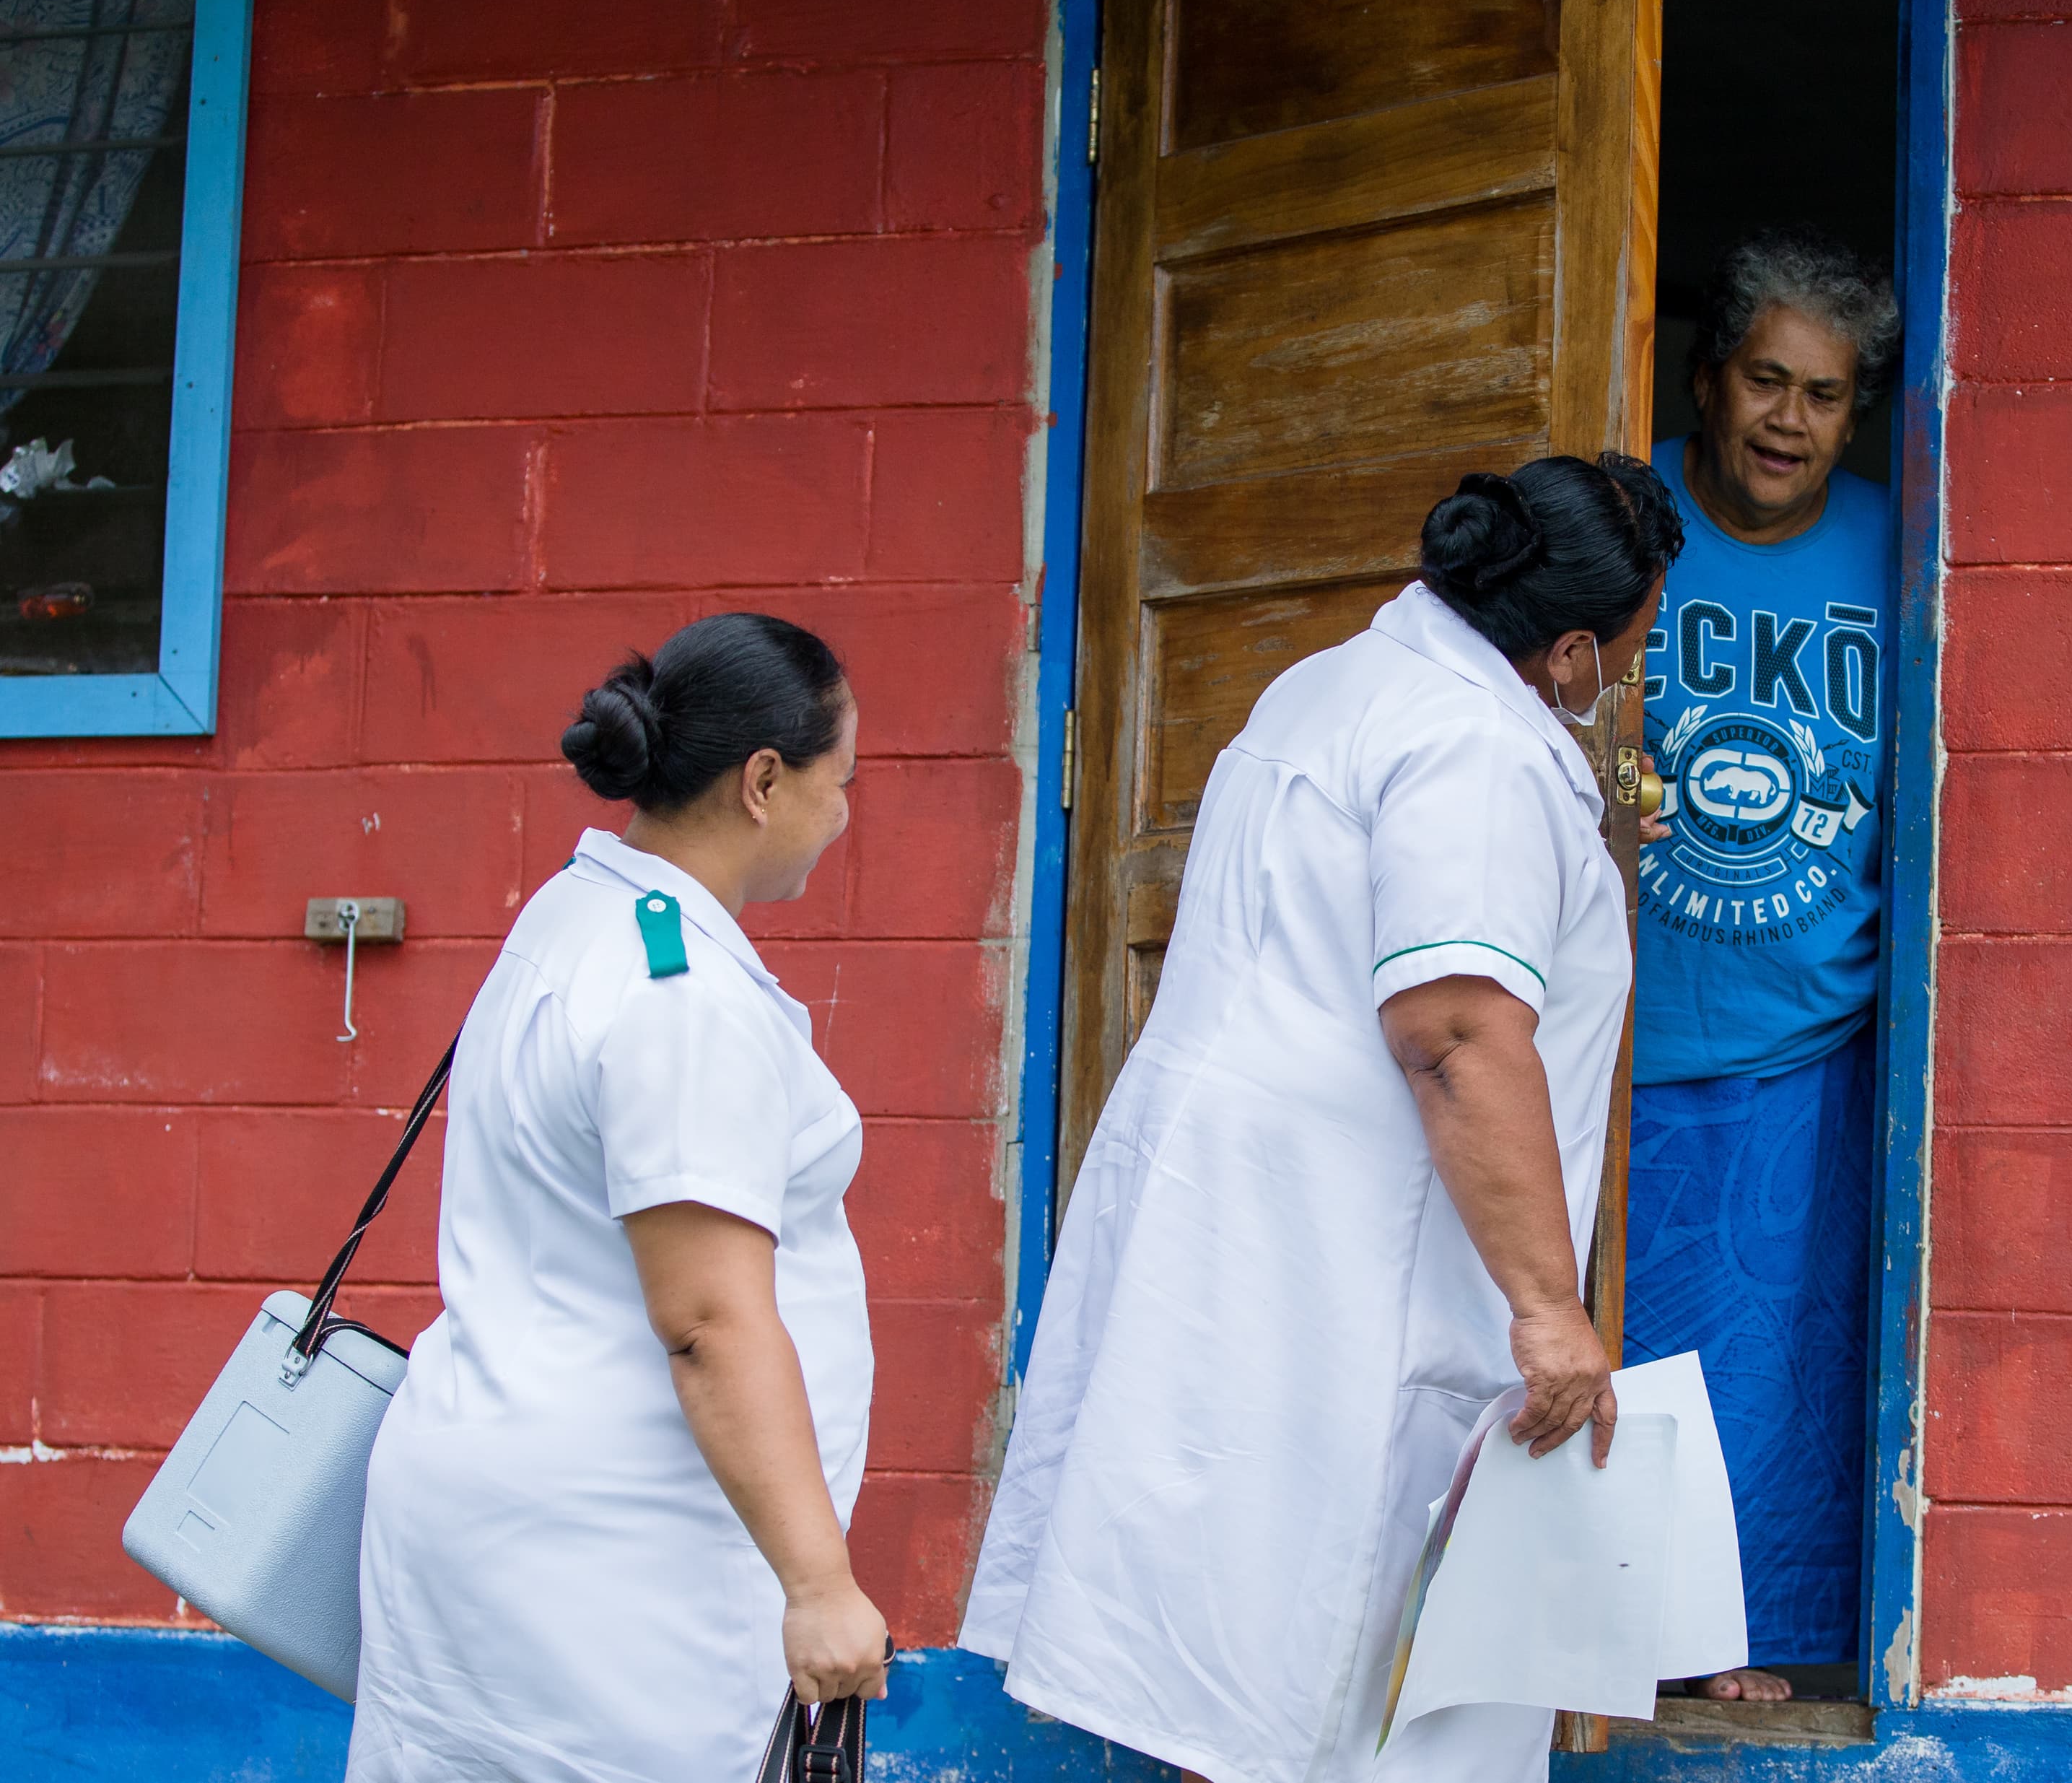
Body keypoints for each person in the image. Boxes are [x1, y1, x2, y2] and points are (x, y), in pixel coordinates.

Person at [963, 455, 1684, 1783]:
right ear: (1573, 648)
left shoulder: (1327, 687)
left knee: (1246, 1674)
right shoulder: (1475, 744)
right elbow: (1457, 1030)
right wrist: (1546, 1303)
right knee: (1344, 1691)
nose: (1610, 687)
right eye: (1622, 657)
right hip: (1343, 1262)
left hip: (1252, 1232)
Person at [348, 613, 890, 1782]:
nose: (845, 813)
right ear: (762, 782)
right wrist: (820, 1583)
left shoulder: (575, 913)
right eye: (840, 781)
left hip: (501, 1523)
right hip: (607, 1574)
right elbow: (709, 1317)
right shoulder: (679, 991)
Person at [1628, 227, 1903, 1701]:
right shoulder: (1627, 522)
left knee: (1782, 1365)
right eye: (1765, 382)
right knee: (1626, 1356)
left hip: (1816, 1028)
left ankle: (1748, 1639)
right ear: (1707, 379)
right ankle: (1623, 1638)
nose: (1791, 421)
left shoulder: (1899, 535)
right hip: (1633, 1029)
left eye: (1826, 395)